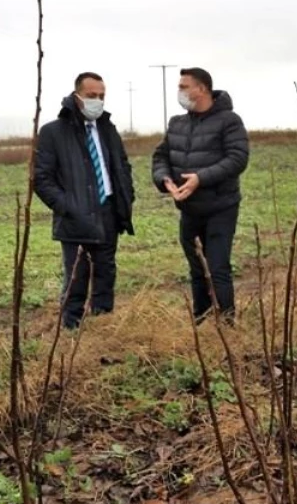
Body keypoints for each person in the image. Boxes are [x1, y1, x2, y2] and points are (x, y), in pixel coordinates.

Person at [34, 72, 135, 329]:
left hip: (108, 213)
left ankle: (102, 327)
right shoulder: (53, 132)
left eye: (102, 96)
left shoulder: (107, 129)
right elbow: (41, 178)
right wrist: (68, 206)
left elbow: (121, 167)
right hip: (75, 218)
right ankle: (71, 330)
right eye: (92, 96)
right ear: (77, 96)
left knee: (105, 274)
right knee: (76, 279)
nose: (98, 101)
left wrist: (125, 199)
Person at [151, 68, 249, 322]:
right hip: (189, 209)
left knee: (217, 268)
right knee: (197, 269)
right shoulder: (178, 123)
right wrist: (165, 180)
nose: (179, 91)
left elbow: (237, 158)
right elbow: (161, 156)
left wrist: (200, 179)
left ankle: (226, 324)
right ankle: (202, 322)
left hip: (221, 207)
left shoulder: (229, 121)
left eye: (184, 86)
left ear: (202, 89)